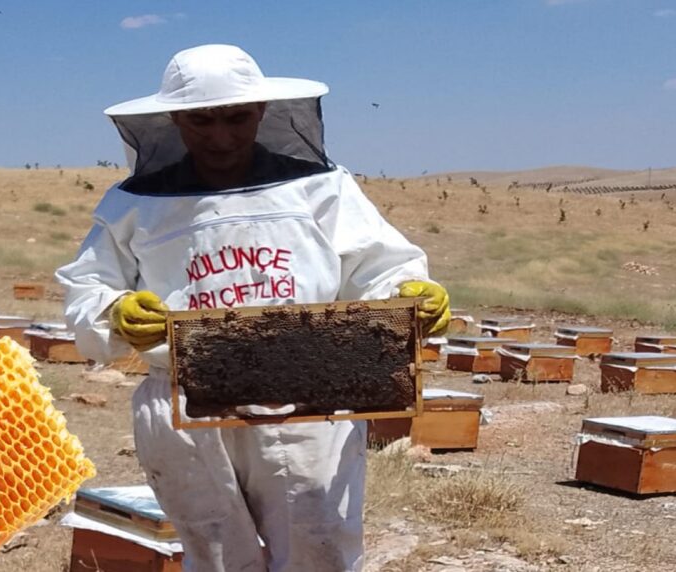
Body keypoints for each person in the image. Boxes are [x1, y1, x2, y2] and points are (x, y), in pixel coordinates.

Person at [56, 44, 449, 572]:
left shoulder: (320, 187)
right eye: (201, 120)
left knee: (320, 551)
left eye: (237, 117)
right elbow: (88, 289)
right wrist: (116, 312)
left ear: (262, 111)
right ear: (174, 118)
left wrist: (409, 293)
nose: (221, 136)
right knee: (216, 555)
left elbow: (381, 265)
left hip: (308, 401)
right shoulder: (133, 204)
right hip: (187, 403)